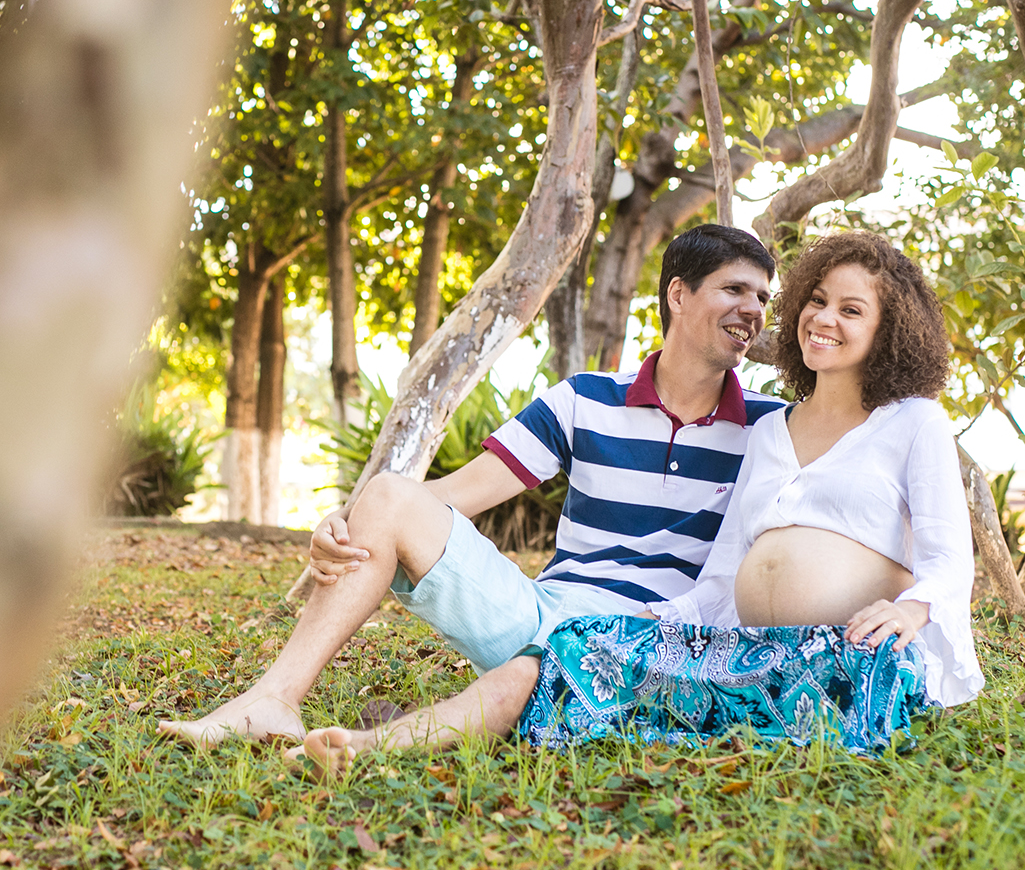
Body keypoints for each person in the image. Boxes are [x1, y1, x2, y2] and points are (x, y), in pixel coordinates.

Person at [300, 231, 984, 771]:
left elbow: (952, 557)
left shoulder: (913, 421)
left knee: (584, 679)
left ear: (889, 331)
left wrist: (914, 606)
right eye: (817, 300)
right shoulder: (770, 429)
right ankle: (370, 748)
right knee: (571, 657)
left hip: (850, 649)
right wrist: (656, 625)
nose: (823, 318)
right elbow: (726, 567)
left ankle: (393, 741)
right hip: (735, 646)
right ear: (678, 296)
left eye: (851, 309)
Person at [157, 224, 780, 748]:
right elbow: (447, 496)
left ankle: (405, 735)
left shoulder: (771, 428)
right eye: (735, 289)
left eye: (762, 296)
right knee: (389, 493)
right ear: (678, 293)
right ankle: (273, 701)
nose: (753, 310)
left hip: (655, 642)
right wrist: (345, 523)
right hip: (540, 617)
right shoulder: (584, 400)